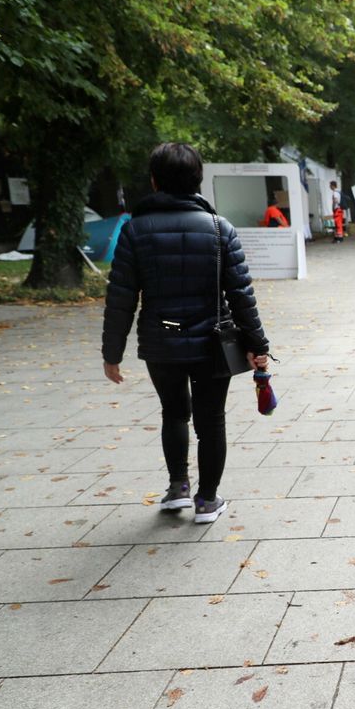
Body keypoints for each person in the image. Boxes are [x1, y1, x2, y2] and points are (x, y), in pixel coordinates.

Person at [101, 142, 271, 524]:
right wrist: (258, 346)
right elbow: (241, 294)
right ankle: (207, 500)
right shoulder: (218, 228)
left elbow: (121, 296)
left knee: (174, 413)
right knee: (211, 420)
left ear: (155, 180)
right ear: (199, 179)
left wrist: (112, 352)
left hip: (161, 341)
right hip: (213, 342)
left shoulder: (134, 231)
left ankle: (178, 487)